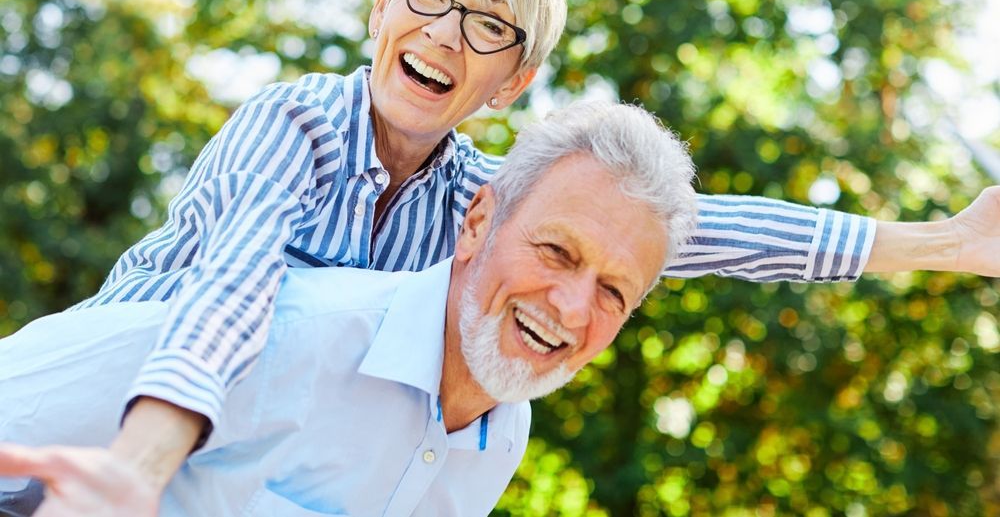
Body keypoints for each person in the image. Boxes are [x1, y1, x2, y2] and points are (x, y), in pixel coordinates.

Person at [6, 0, 998, 514]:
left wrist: (945, 241)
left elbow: (687, 227)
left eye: (490, 26)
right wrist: (133, 467)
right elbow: (225, 303)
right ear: (382, 5)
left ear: (511, 84)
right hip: (90, 421)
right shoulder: (297, 122)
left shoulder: (475, 200)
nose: (447, 33)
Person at [0, 101, 699, 516]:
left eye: (614, 291)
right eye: (556, 251)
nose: (574, 308)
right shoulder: (288, 333)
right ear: (478, 223)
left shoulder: (501, 437)